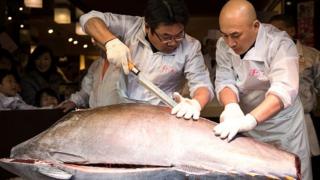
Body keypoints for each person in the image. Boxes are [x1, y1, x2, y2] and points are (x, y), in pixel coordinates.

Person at [212, 1, 311, 179]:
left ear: (256, 26)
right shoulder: (223, 45)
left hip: (283, 126)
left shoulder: (280, 43)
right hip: (245, 124)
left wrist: (251, 120)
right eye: (225, 35)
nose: (230, 43)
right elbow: (224, 80)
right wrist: (231, 107)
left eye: (235, 35)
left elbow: (283, 89)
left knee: (290, 173)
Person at [78, 0, 214, 119]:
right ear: (147, 26)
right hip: (119, 110)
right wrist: (111, 42)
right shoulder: (131, 27)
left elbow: (202, 84)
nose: (173, 42)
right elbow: (89, 18)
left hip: (160, 115)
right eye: (166, 37)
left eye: (179, 35)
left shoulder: (190, 46)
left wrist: (195, 103)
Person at [269, 14, 320, 157]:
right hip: (274, 119)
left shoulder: (312, 55)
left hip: (304, 118)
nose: (275, 36)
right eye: (271, 32)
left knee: (304, 163)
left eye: (279, 30)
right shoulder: (267, 55)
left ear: (291, 30)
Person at [58, 50, 125, 112]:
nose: (94, 43)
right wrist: (74, 101)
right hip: (95, 116)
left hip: (119, 117)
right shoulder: (96, 64)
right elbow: (86, 90)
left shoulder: (125, 62)